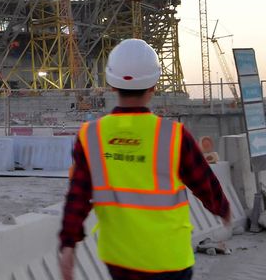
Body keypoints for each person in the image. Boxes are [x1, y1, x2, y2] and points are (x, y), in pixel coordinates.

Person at [58, 39, 231, 280]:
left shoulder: (91, 135)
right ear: (154, 86)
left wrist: (68, 243)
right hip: (170, 259)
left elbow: (78, 196)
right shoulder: (174, 135)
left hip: (121, 259)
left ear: (111, 85)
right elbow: (204, 182)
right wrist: (222, 208)